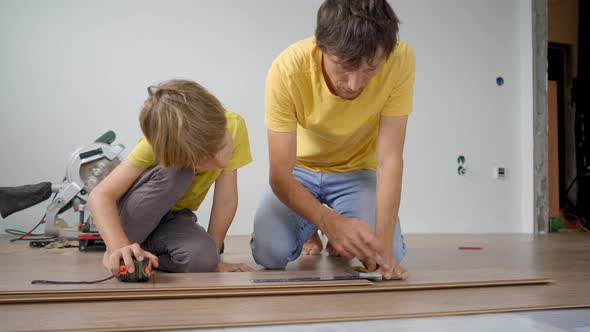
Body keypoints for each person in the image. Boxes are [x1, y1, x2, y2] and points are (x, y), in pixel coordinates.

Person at [251, 0, 415, 280]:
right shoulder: (287, 70)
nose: (355, 84)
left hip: (356, 171)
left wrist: (384, 250)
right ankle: (311, 230)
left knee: (386, 254)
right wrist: (329, 222)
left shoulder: (399, 60)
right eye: (344, 66)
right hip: (299, 172)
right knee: (269, 252)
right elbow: (279, 175)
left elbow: (389, 160)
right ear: (321, 47)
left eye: (370, 69)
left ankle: (338, 227)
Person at [89, 79, 254, 275]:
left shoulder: (235, 126)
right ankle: (118, 253)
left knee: (205, 259)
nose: (219, 161)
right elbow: (100, 195)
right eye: (203, 160)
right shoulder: (157, 145)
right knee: (179, 174)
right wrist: (118, 245)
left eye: (222, 146)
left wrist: (214, 260)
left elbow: (225, 200)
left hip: (172, 221)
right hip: (134, 217)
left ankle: (143, 254)